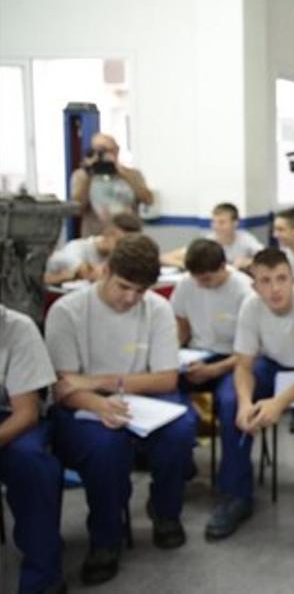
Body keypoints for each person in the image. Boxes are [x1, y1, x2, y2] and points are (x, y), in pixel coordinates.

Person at [46, 234, 195, 586]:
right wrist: (96, 401)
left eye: (140, 291)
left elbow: (166, 380)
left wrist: (97, 381)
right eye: (124, 287)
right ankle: (105, 538)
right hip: (82, 408)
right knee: (106, 448)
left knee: (182, 429)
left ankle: (165, 510)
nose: (131, 298)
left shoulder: (156, 308)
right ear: (105, 271)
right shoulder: (67, 311)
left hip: (139, 399)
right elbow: (64, 387)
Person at [204, 248, 294, 542]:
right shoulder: (251, 306)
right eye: (265, 281)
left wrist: (279, 403)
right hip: (272, 364)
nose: (275, 288)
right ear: (254, 285)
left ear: (293, 279)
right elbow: (243, 365)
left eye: (281, 279)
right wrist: (244, 403)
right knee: (229, 403)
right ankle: (236, 494)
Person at [0, 304, 65, 594]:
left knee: (32, 464)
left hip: (10, 417)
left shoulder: (16, 328)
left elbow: (25, 414)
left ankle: (43, 577)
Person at [171, 238, 255, 398]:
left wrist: (212, 370)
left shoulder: (245, 292)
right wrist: (171, 354)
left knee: (229, 400)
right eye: (196, 279)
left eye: (207, 279)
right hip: (196, 353)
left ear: (223, 267)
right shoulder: (186, 283)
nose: (201, 285)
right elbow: (182, 328)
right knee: (164, 386)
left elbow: (252, 350)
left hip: (233, 358)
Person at [70, 133, 153, 238]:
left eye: (105, 150)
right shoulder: (81, 176)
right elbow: (78, 208)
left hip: (128, 237)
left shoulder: (132, 174)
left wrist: (121, 172)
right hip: (96, 238)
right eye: (96, 150)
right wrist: (89, 173)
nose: (101, 155)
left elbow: (148, 200)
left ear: (116, 150)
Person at [43, 212, 143, 285]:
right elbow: (87, 272)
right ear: (108, 233)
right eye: (121, 242)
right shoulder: (76, 248)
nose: (125, 248)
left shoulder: (122, 255)